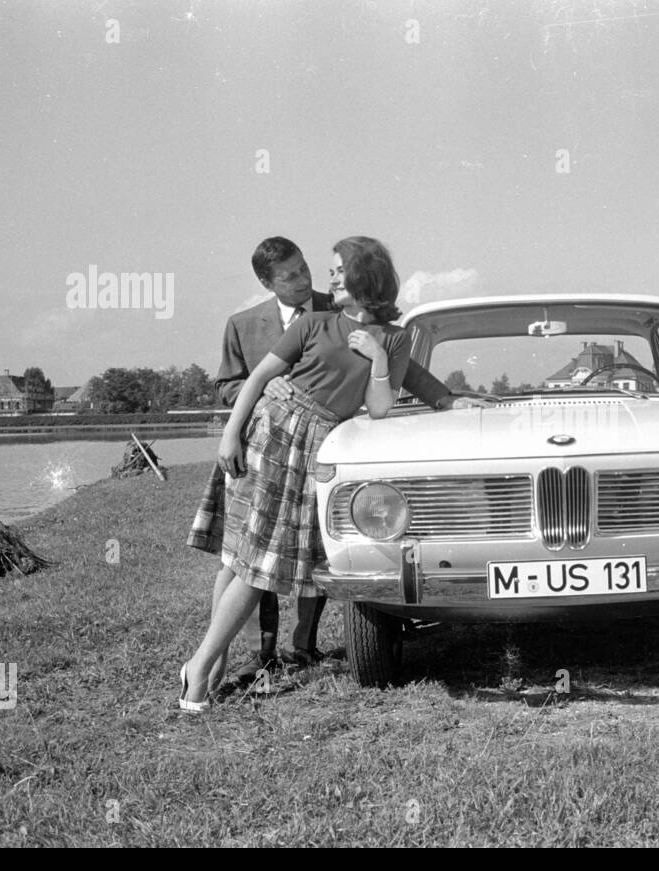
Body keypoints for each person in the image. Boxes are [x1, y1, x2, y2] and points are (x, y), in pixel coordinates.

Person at [186, 236, 472, 684]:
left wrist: (445, 399)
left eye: (314, 269)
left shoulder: (343, 317)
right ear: (268, 282)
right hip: (268, 434)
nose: (310, 278)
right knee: (242, 558)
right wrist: (236, 426)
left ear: (360, 277)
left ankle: (293, 647)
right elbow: (242, 380)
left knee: (282, 555)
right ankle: (219, 661)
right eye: (291, 275)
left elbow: (402, 378)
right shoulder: (250, 323)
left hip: (317, 441)